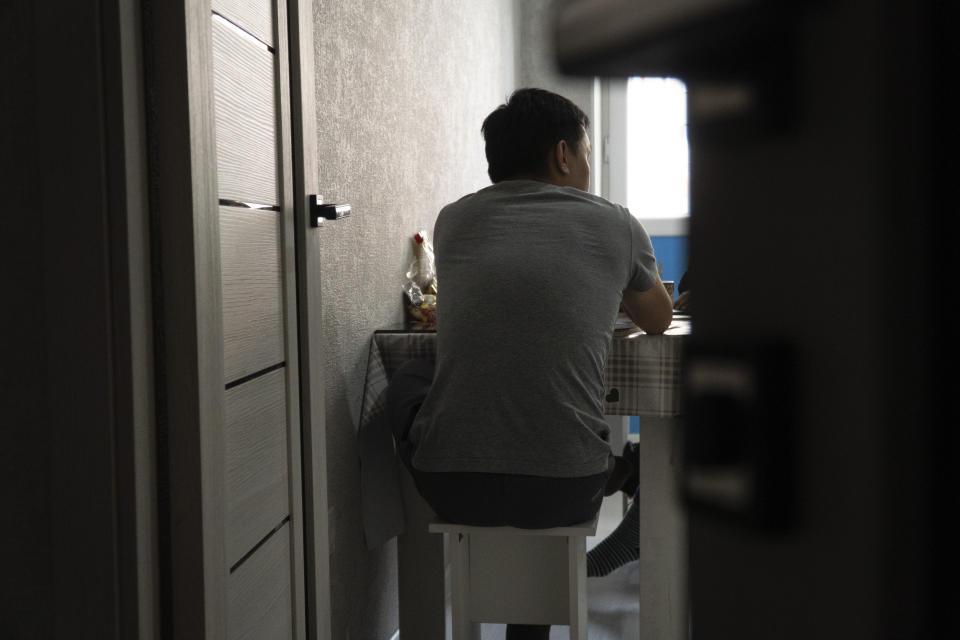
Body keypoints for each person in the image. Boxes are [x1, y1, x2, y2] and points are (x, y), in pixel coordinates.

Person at [386, 87, 672, 640]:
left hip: (452, 485)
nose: (588, 165)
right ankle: (624, 469)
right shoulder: (615, 222)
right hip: (566, 487)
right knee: (553, 421)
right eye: (586, 153)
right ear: (563, 155)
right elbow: (657, 320)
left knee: (410, 376)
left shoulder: (453, 221)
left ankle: (619, 469)